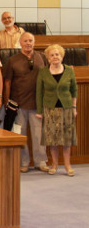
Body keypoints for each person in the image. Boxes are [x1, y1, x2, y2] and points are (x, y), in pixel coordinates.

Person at [3, 33, 48, 173]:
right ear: (20, 43)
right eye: (25, 41)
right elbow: (8, 82)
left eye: (30, 40)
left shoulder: (42, 57)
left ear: (34, 42)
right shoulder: (12, 60)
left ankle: (41, 162)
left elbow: (49, 75)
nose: (28, 43)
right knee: (20, 134)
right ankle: (24, 162)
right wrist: (7, 101)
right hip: (18, 103)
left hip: (37, 104)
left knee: (38, 134)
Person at [36, 44, 77, 177]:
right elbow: (39, 93)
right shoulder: (43, 72)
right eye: (52, 55)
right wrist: (40, 110)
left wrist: (74, 108)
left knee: (66, 140)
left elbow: (74, 91)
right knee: (52, 140)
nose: (55, 57)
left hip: (66, 108)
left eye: (57, 54)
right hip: (50, 109)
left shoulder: (69, 71)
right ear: (48, 58)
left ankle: (67, 165)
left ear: (62, 56)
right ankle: (54, 165)